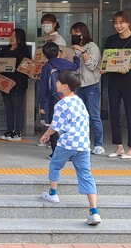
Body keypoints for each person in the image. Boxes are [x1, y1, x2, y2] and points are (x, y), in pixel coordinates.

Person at [38, 70, 101, 226]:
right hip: (83, 145)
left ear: (65, 86)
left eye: (58, 82)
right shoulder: (79, 101)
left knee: (55, 165)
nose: (56, 83)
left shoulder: (61, 104)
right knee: (86, 175)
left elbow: (55, 126)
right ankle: (94, 211)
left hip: (67, 143)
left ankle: (53, 193)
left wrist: (45, 135)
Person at [103, 11, 131, 159]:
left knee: (130, 112)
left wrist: (128, 65)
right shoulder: (111, 40)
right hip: (114, 79)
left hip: (129, 78)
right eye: (116, 23)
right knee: (114, 112)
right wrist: (104, 68)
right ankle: (118, 146)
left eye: (121, 22)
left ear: (129, 23)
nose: (118, 26)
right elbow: (107, 59)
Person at [38, 41, 80, 158]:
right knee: (68, 125)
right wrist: (76, 58)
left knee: (55, 125)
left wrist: (42, 104)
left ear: (45, 55)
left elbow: (43, 87)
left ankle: (56, 152)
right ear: (58, 53)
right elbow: (77, 66)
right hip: (70, 98)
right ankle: (69, 153)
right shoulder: (68, 64)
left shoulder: (47, 67)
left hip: (55, 98)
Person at [70, 22, 105, 156]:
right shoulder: (73, 48)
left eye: (77, 33)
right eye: (73, 34)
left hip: (91, 85)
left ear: (84, 33)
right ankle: (82, 143)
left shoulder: (92, 47)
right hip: (77, 85)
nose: (75, 36)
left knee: (94, 115)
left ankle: (98, 144)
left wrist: (82, 51)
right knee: (79, 117)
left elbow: (92, 65)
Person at [0, 28, 31, 141]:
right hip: (5, 84)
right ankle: (9, 130)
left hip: (18, 85)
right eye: (11, 35)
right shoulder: (5, 50)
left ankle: (18, 131)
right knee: (8, 108)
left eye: (14, 36)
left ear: (20, 38)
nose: (11, 38)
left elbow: (27, 68)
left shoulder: (24, 51)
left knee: (17, 108)